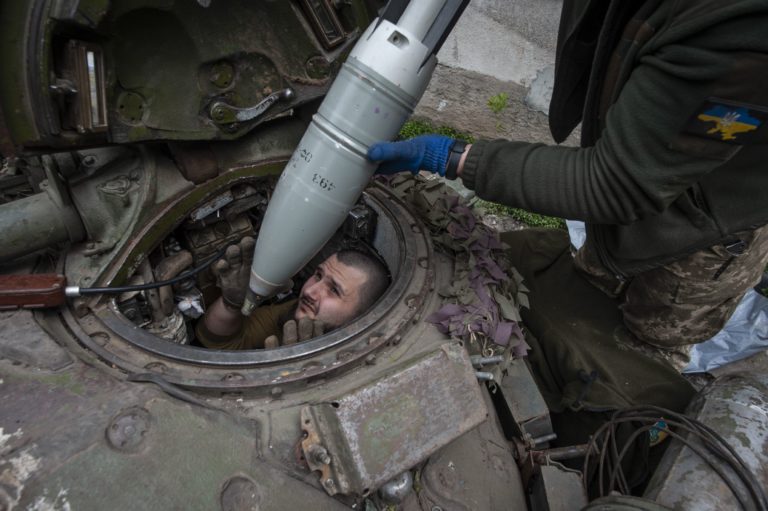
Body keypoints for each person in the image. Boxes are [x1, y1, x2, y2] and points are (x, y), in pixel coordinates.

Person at [367, 0, 768, 372]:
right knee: (591, 281)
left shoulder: (741, 35)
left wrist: (454, 157)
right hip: (642, 173)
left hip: (709, 231)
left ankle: (620, 415)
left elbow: (615, 185)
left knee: (653, 342)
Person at [197, 237, 390, 350]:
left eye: (334, 290)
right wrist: (230, 304)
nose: (310, 291)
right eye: (318, 275)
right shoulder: (295, 311)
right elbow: (222, 343)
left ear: (361, 319)